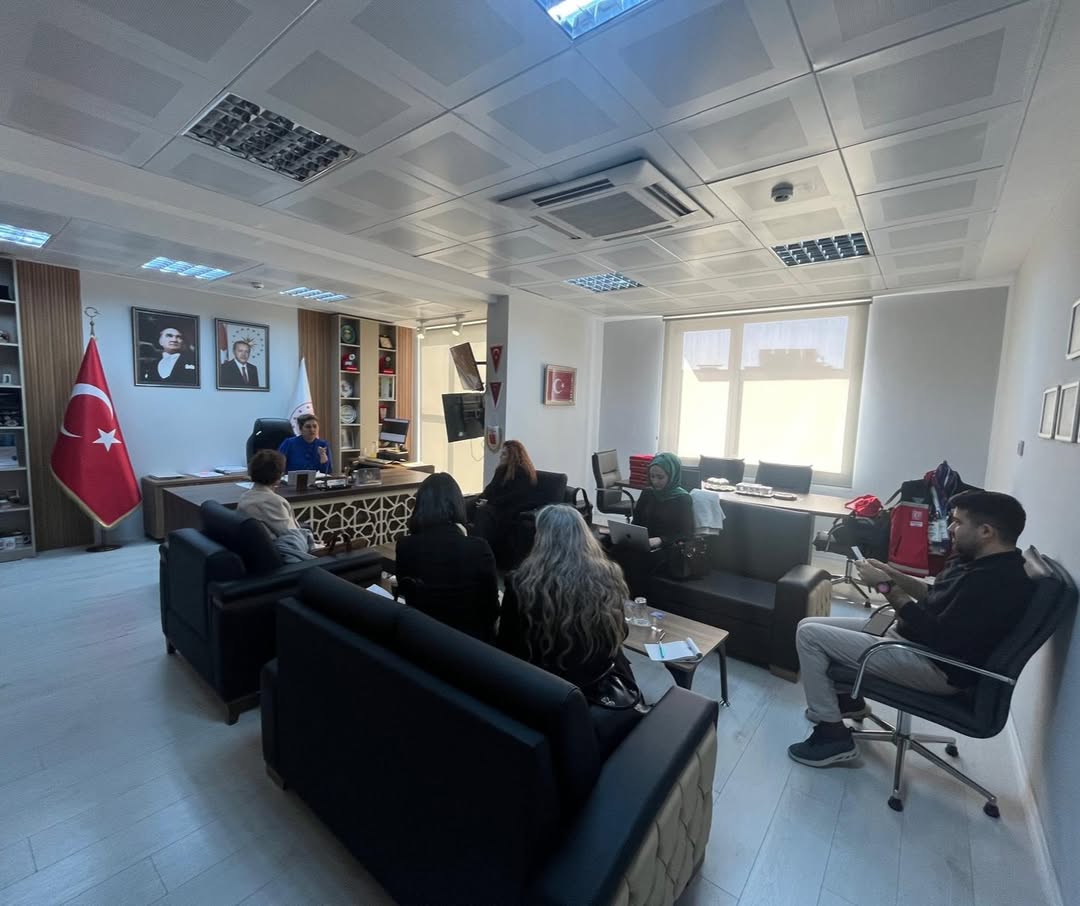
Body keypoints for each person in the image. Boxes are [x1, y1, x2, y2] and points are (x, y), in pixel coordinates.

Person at [788, 490, 1034, 768]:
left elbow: (937, 636)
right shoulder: (978, 562)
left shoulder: (995, 583)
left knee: (810, 637)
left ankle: (832, 736)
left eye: (957, 522)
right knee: (808, 624)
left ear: (986, 531)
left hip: (936, 665)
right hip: (913, 642)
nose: (949, 529)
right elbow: (934, 595)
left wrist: (884, 586)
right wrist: (891, 573)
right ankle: (848, 703)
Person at [498, 504, 642, 755]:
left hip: (543, 690)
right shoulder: (609, 576)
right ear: (584, 536)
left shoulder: (521, 583)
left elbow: (508, 647)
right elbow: (620, 635)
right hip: (596, 685)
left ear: (541, 538)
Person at [395, 473, 500, 642]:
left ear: (420, 505)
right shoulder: (479, 548)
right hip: (473, 646)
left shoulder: (405, 546)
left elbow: (408, 597)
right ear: (457, 504)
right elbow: (492, 610)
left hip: (421, 639)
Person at [237, 449, 316, 561]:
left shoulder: (244, 497)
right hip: (287, 562)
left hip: (258, 558)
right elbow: (294, 539)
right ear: (279, 476)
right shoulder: (273, 502)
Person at [471, 440, 539, 563]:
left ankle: (479, 554)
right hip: (495, 505)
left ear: (512, 456)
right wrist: (480, 498)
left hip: (510, 509)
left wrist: (489, 503)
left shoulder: (522, 472)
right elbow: (490, 489)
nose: (501, 456)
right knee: (470, 505)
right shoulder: (501, 470)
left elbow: (513, 497)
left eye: (504, 454)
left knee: (483, 511)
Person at [633, 453, 694, 547]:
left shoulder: (683, 498)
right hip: (643, 543)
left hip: (667, 546)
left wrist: (661, 540)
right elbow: (636, 521)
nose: (655, 481)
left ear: (672, 476)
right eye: (652, 476)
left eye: (660, 477)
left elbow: (686, 534)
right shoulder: (647, 493)